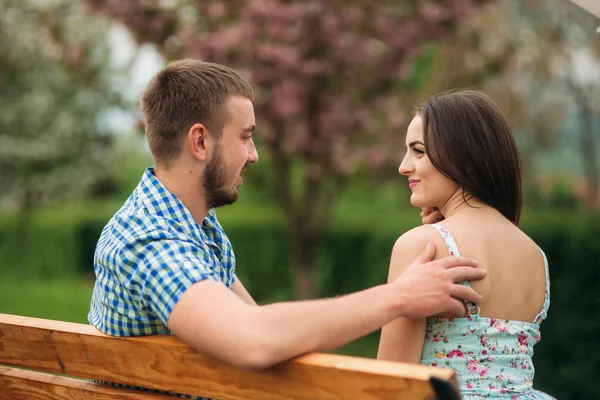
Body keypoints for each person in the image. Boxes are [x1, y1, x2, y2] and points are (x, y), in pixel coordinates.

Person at [88, 59, 486, 397]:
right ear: (200, 142)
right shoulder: (152, 241)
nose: (254, 155)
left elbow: (274, 337)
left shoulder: (194, 226)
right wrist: (400, 297)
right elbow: (255, 339)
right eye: (245, 137)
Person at [377, 90, 554, 399]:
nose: (404, 166)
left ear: (462, 155)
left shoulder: (422, 246)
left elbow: (392, 384)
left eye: (418, 151)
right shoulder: (535, 255)